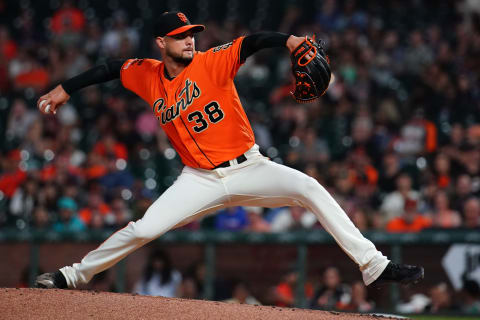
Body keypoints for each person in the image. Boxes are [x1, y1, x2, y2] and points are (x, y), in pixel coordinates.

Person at [35, 11, 423, 291]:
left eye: (191, 34)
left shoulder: (212, 61)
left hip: (249, 168)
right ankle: (73, 275)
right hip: (198, 180)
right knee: (143, 229)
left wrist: (288, 41)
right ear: (161, 43)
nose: (189, 39)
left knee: (309, 188)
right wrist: (64, 89)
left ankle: (374, 265)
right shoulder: (147, 74)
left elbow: (251, 41)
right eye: (180, 35)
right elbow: (108, 68)